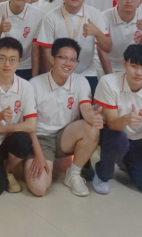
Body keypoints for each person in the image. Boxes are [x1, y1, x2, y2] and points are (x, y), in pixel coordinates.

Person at [25, 39, 102, 198]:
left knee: (91, 127)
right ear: (52, 59)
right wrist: (38, 154)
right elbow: (28, 125)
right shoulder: (34, 85)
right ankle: (28, 161)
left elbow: (86, 108)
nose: (68, 63)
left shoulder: (81, 82)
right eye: (63, 58)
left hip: (65, 135)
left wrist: (93, 117)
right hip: (41, 138)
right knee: (39, 189)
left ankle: (73, 174)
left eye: (73, 60)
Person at [91, 44, 142, 197]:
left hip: (138, 138)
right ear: (124, 63)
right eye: (134, 66)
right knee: (118, 141)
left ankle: (124, 159)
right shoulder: (108, 83)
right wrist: (126, 119)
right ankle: (103, 174)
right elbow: (112, 124)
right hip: (111, 133)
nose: (138, 73)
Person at [36, 0, 111, 94]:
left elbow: (107, 48)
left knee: (88, 104)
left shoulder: (95, 14)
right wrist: (53, 76)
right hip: (59, 72)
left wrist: (97, 32)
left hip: (86, 72)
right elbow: (46, 51)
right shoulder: (50, 17)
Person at [0, 38, 36, 195]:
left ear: (19, 62)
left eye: (12, 60)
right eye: (2, 58)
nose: (7, 64)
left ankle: (7, 170)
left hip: (8, 139)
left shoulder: (26, 87)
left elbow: (31, 125)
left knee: (23, 139)